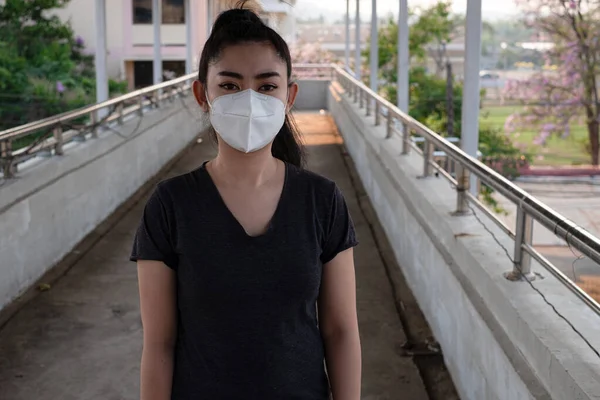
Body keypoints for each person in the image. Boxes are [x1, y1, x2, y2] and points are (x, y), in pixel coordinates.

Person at [131, 2, 361, 399]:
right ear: (203, 94)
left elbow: (340, 332)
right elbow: (159, 344)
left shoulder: (321, 201)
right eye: (231, 85)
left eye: (267, 86)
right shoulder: (171, 205)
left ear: (289, 96)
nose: (250, 100)